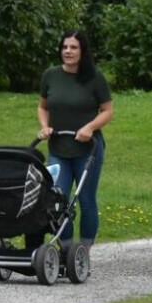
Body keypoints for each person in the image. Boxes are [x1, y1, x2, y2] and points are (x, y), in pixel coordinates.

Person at [36, 30, 114, 250]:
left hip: (88, 150)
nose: (68, 52)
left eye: (73, 47)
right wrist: (44, 127)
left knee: (86, 200)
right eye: (65, 47)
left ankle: (84, 252)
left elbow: (107, 111)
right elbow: (42, 106)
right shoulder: (50, 75)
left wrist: (89, 127)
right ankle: (67, 249)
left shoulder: (94, 77)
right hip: (58, 147)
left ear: (83, 51)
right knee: (58, 201)